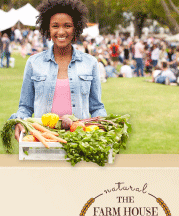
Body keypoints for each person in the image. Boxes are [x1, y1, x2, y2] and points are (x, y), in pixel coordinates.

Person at [10, 0, 107, 141]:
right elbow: (25, 106)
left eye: (67, 26)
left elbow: (96, 106)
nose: (61, 31)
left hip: (80, 141)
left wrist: (104, 124)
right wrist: (19, 120)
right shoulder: (33, 62)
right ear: (48, 29)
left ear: (75, 29)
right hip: (44, 139)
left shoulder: (90, 63)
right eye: (55, 26)